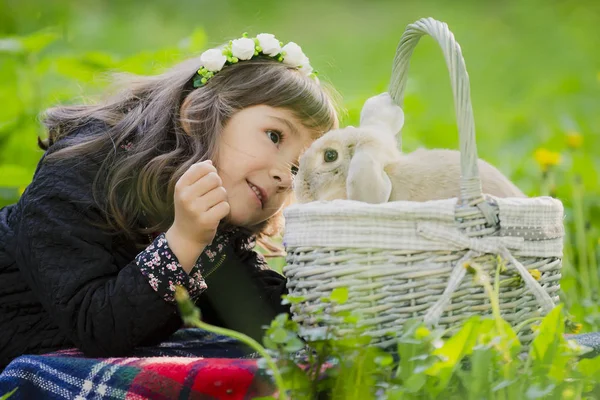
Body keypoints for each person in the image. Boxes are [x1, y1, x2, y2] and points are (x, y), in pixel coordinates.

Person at [0, 32, 339, 369]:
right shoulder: (78, 172)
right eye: (274, 136)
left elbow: (274, 319)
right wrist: (184, 241)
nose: (285, 176)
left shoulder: (216, 231)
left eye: (298, 168)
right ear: (197, 115)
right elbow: (97, 327)